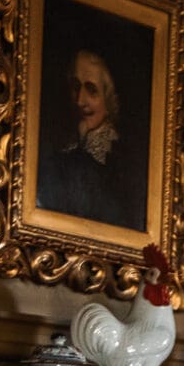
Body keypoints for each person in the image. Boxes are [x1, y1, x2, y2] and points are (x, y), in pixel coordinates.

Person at [35, 48, 142, 231]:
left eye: (91, 91)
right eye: (76, 87)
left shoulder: (122, 160)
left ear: (108, 101)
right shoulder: (59, 149)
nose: (79, 101)